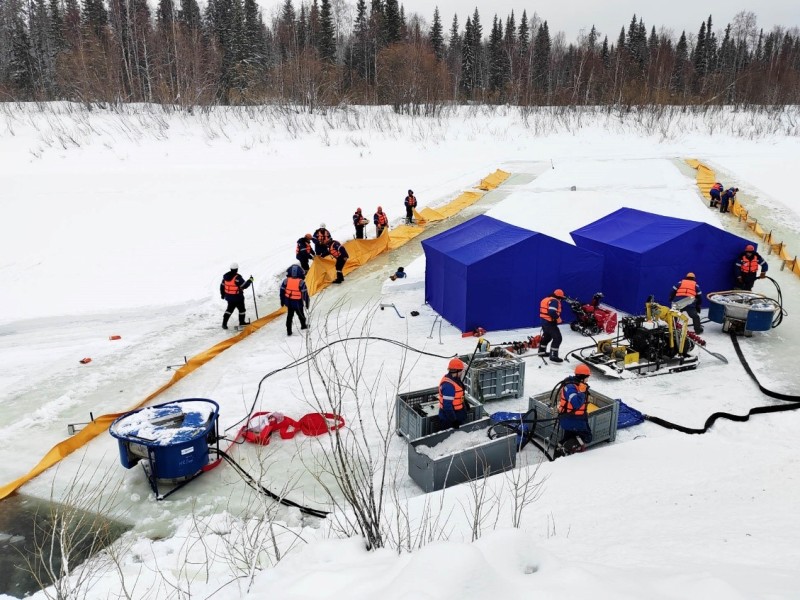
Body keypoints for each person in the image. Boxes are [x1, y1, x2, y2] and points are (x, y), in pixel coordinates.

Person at [556, 364, 594, 456]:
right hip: (573, 419)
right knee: (587, 437)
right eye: (587, 377)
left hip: (569, 418)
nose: (587, 380)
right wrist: (581, 392)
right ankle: (566, 448)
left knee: (570, 435)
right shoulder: (571, 387)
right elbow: (576, 404)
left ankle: (560, 447)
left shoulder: (574, 384)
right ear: (582, 377)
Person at [220, 262, 253, 330]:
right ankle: (242, 322)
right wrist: (250, 280)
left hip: (229, 297)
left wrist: (222, 294)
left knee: (229, 310)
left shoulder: (225, 277)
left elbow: (222, 286)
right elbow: (244, 286)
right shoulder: (237, 278)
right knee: (242, 310)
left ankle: (224, 324)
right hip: (238, 298)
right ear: (237, 269)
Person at [279, 264, 310, 336]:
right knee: (301, 315)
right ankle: (303, 325)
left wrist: (282, 301)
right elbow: (305, 294)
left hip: (289, 302)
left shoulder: (286, 281)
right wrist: (307, 302)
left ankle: (289, 331)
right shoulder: (301, 282)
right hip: (298, 303)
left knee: (289, 316)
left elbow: (282, 292)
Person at [439, 357, 467, 429]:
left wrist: (464, 403)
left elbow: (459, 394)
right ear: (457, 371)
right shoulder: (448, 386)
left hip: (458, 414)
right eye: (461, 371)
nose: (462, 373)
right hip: (449, 419)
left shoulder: (455, 379)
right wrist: (454, 420)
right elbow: (447, 406)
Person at [538, 289, 565, 363]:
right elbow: (552, 312)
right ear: (559, 297)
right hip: (550, 322)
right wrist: (558, 319)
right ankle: (553, 356)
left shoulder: (547, 299)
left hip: (544, 321)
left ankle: (541, 352)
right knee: (557, 338)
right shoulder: (555, 301)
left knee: (547, 336)